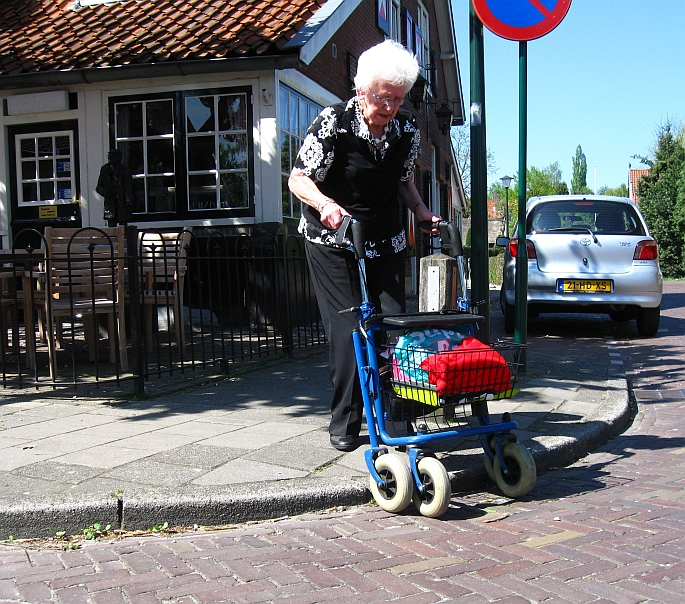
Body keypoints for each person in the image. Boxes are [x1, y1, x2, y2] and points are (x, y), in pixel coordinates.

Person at [288, 39, 440, 452]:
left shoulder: (406, 130)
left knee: (393, 325)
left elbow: (403, 181)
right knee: (350, 329)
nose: (389, 107)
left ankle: (399, 416)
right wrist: (325, 204)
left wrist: (421, 211)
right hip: (333, 238)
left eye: (398, 98)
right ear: (361, 89)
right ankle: (346, 421)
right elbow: (299, 177)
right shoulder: (333, 123)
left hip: (385, 237)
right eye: (382, 97)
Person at [96, 148, 133, 226]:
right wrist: (107, 193)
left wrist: (128, 202)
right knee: (111, 225)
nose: (110, 158)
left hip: (122, 203)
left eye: (113, 156)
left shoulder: (125, 170)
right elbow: (99, 187)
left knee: (123, 226)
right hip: (110, 203)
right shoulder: (105, 169)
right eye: (109, 156)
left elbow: (129, 188)